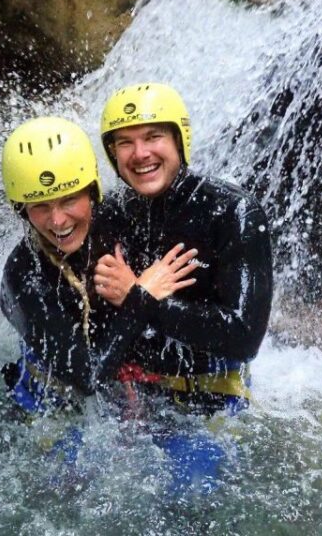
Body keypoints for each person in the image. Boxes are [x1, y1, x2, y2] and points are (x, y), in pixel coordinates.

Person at [94, 82, 274, 416]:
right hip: (127, 396)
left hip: (210, 404)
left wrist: (139, 298)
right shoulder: (110, 212)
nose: (140, 153)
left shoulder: (233, 212)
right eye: (125, 143)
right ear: (112, 154)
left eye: (153, 137)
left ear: (179, 141)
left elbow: (245, 339)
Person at [0, 116, 198, 417]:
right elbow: (87, 378)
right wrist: (138, 297)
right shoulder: (23, 274)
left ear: (92, 191)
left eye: (68, 200)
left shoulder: (125, 219)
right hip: (52, 408)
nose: (58, 221)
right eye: (40, 206)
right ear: (22, 209)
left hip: (137, 392)